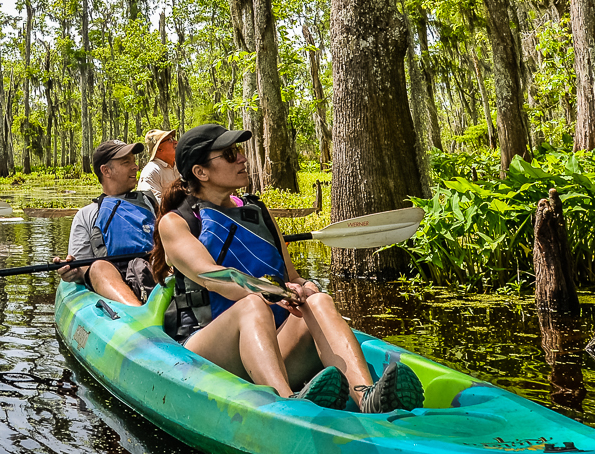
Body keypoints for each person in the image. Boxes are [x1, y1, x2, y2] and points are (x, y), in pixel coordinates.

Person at [155, 124, 419, 412]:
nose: (242, 159)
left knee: (318, 301)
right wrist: (271, 290)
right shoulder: (176, 222)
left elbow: (293, 276)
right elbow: (211, 277)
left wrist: (304, 288)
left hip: (268, 348)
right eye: (230, 154)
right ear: (200, 172)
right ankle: (286, 404)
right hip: (206, 353)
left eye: (239, 151)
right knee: (252, 305)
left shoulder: (258, 212)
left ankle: (366, 397)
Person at [58, 140, 161, 305]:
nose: (135, 167)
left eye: (134, 162)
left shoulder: (151, 204)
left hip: (155, 270)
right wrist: (73, 271)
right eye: (126, 162)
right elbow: (83, 267)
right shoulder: (86, 215)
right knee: (99, 267)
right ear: (106, 171)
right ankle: (137, 311)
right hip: (114, 277)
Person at [141, 129, 180, 197]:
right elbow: (152, 203)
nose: (176, 142)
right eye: (170, 140)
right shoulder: (151, 171)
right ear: (159, 149)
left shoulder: (181, 165)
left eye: (173, 139)